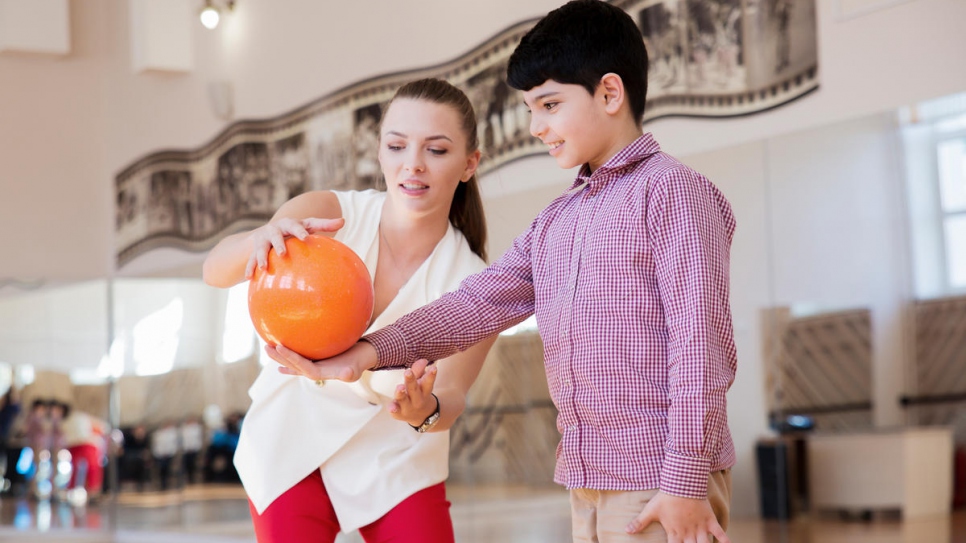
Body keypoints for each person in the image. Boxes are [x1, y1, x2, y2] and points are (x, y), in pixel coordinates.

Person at [266, 2, 737, 542]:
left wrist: (684, 479)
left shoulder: (675, 194)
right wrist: (364, 354)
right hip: (588, 479)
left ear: (610, 93)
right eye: (531, 108)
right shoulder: (556, 222)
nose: (536, 127)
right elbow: (472, 307)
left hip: (660, 479)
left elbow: (700, 345)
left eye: (550, 105)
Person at [203, 78, 497, 543]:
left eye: (436, 151)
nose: (412, 165)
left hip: (395, 450)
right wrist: (256, 240)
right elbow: (215, 270)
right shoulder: (329, 215)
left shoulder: (475, 279)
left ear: (469, 164)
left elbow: (454, 396)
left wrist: (425, 409)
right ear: (379, 152)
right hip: (292, 436)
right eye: (396, 146)